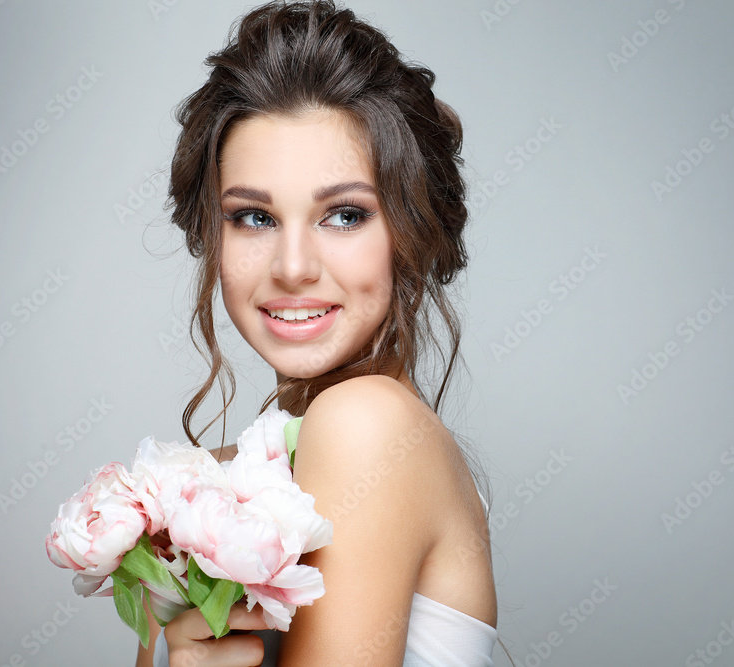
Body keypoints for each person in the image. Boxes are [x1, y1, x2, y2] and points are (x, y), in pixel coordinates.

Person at [134, 2, 499, 665]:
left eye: (344, 214)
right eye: (253, 217)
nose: (294, 267)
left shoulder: (367, 425)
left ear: (409, 234)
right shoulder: (207, 493)